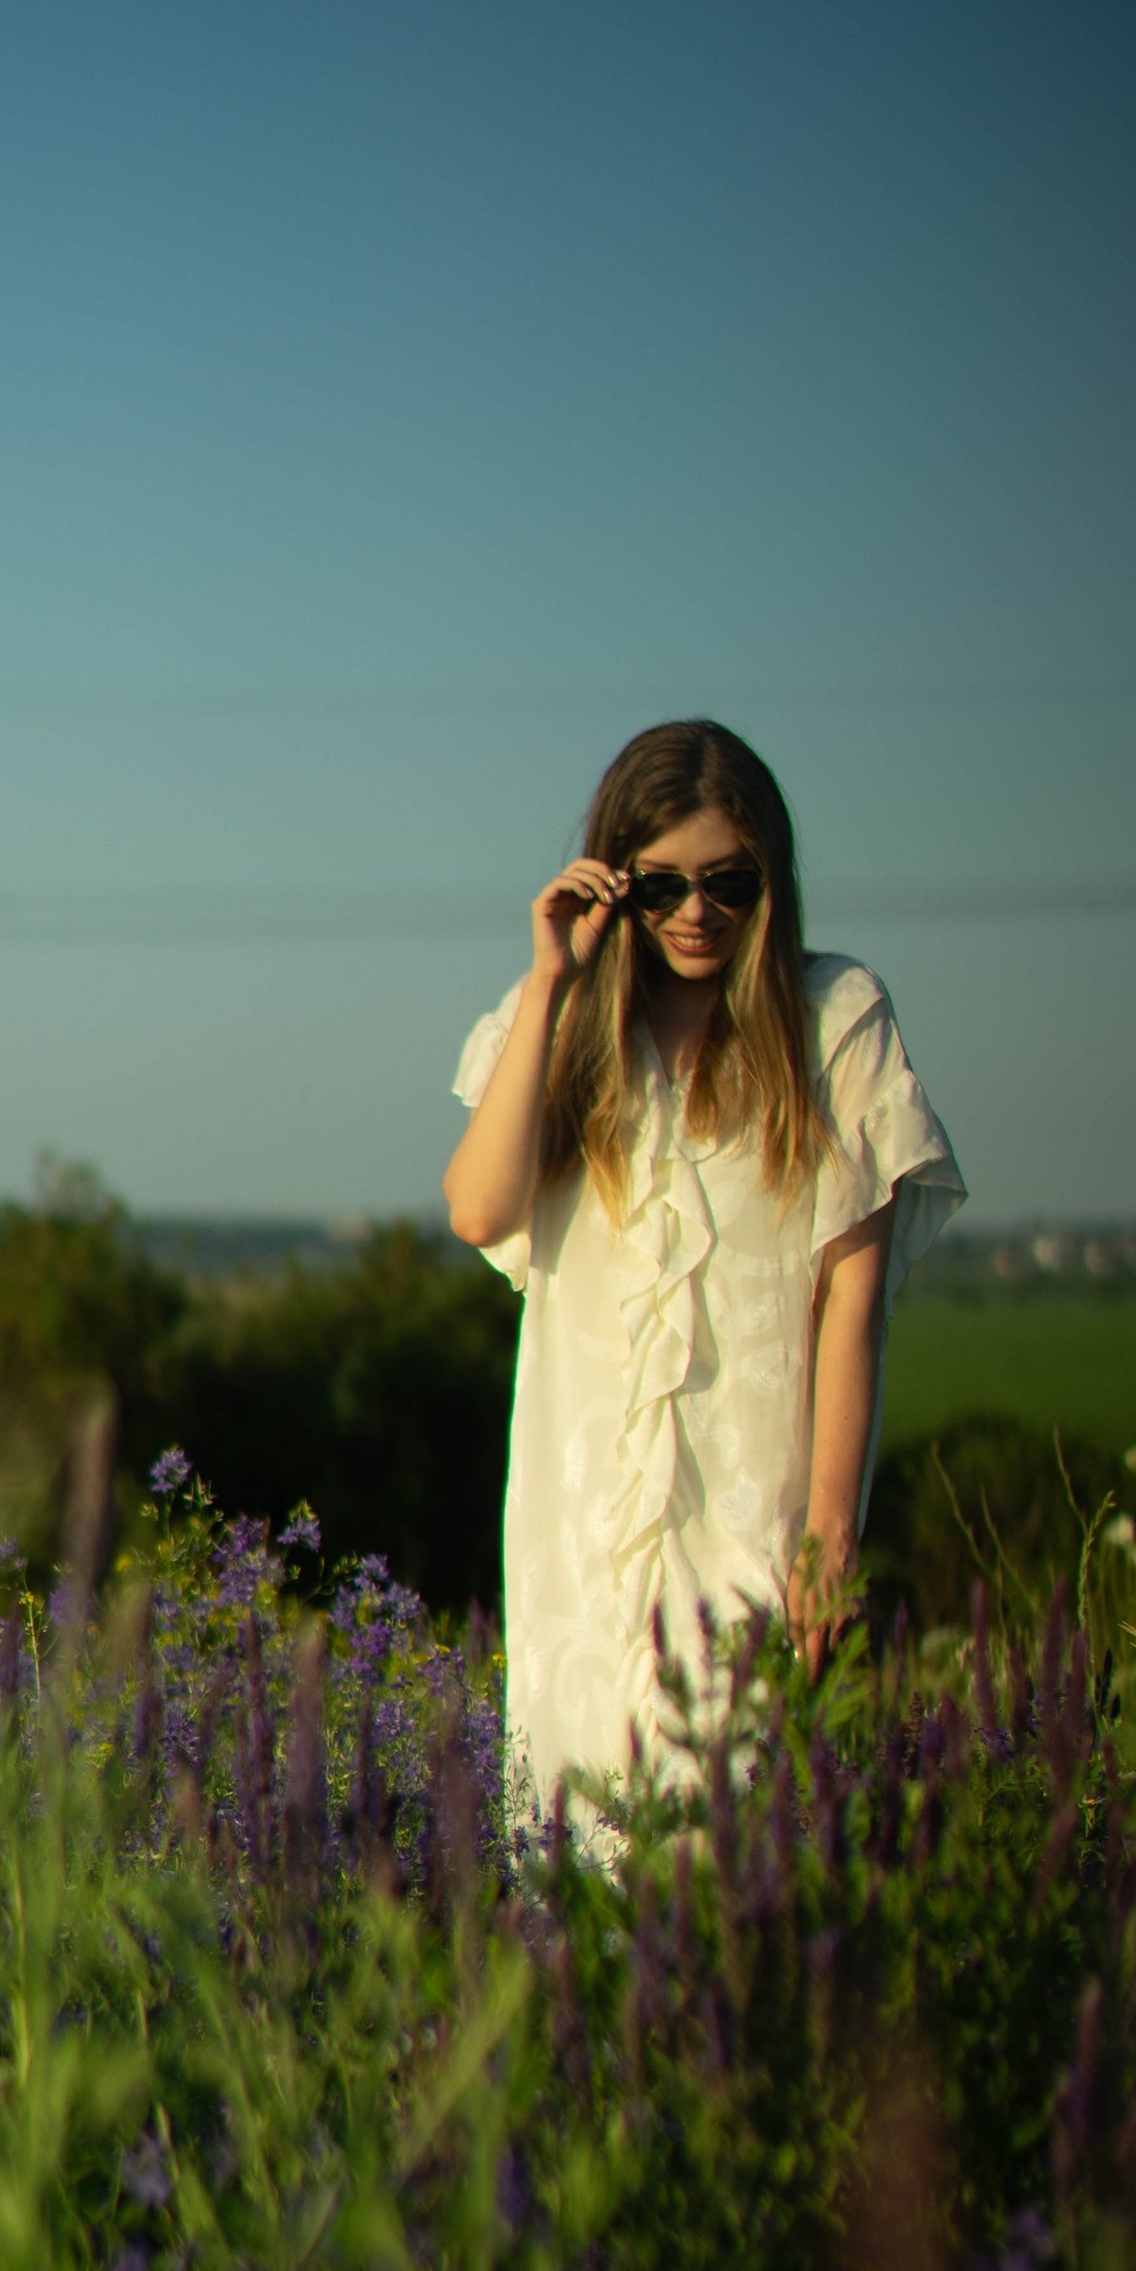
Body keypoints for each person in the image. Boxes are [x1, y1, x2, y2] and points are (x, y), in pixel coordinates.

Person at [443, 718, 962, 1834]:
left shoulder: (833, 1022)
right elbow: (478, 1208)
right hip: (578, 1525)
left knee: (733, 1858)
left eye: (727, 881)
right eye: (661, 884)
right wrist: (551, 983)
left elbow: (852, 1303)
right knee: (578, 1867)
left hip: (752, 1513)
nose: (694, 912)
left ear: (766, 882)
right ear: (613, 881)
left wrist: (829, 1533)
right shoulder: (562, 1025)